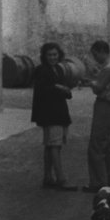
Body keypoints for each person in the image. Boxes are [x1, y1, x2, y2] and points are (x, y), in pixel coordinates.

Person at [31, 41, 77, 190]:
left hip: (58, 112)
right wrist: (58, 88)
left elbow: (67, 92)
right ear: (44, 56)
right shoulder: (41, 70)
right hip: (49, 114)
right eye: (49, 55)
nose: (52, 57)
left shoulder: (58, 69)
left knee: (50, 146)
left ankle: (48, 178)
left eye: (55, 54)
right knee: (55, 145)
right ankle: (61, 180)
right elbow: (40, 91)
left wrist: (64, 90)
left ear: (59, 55)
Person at [82, 39, 110, 193]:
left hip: (104, 107)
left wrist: (91, 82)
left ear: (102, 52)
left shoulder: (108, 69)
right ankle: (107, 181)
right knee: (106, 148)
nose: (95, 58)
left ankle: (98, 183)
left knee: (96, 147)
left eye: (95, 54)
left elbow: (98, 88)